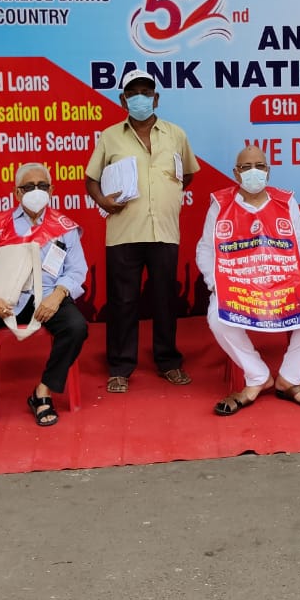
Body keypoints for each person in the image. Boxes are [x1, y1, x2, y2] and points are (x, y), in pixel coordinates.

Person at [0, 163, 89, 436]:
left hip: (49, 297)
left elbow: (76, 270)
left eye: (42, 186)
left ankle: (42, 392)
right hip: (4, 299)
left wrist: (58, 296)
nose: (36, 191)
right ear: (16, 193)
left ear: (52, 190)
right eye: (29, 187)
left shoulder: (63, 227)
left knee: (76, 327)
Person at [86, 70, 200, 393]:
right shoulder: (109, 137)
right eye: (133, 93)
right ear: (123, 100)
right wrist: (104, 203)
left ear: (156, 98)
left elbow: (186, 175)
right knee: (122, 301)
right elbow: (90, 180)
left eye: (146, 92)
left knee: (165, 300)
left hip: (164, 230)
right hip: (124, 232)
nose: (140, 98)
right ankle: (120, 366)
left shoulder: (176, 134)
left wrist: (167, 195)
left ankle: (168, 361)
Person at [196, 145, 300, 415]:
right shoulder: (220, 204)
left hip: (283, 280)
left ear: (268, 171)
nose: (253, 172)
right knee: (217, 318)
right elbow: (205, 249)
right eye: (246, 167)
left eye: (260, 166)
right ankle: (257, 377)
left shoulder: (285, 201)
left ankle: (289, 377)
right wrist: (215, 282)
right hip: (239, 283)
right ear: (235, 173)